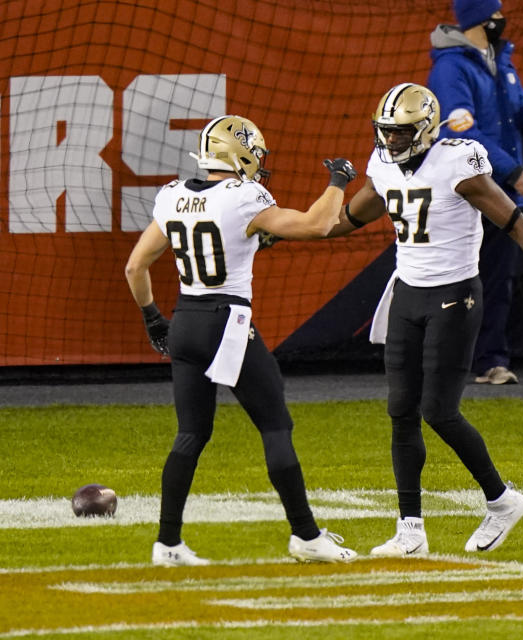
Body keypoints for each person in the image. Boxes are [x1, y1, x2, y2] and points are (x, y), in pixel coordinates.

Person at [323, 83, 523, 556]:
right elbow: (353, 216)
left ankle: (502, 500)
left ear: (424, 130)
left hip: (454, 294)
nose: (390, 140)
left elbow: (517, 224)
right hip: (406, 292)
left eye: (400, 132)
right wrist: (289, 232)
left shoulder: (457, 163)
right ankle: (410, 531)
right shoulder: (382, 164)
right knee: (400, 410)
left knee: (437, 411)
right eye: (385, 131)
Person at [124, 115, 360, 566]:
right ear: (241, 154)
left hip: (185, 321)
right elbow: (317, 225)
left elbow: (136, 267)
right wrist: (338, 181)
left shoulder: (173, 195)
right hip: (226, 321)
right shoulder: (244, 195)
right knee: (275, 425)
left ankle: (167, 544)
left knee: (190, 433)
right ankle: (307, 537)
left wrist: (154, 320)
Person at [427, 0, 523, 385]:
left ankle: (490, 361)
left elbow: (518, 117)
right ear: (480, 21)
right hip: (467, 193)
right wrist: (512, 169)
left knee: (497, 281)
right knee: (457, 281)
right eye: (496, 15)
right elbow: (460, 130)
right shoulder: (450, 68)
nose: (502, 21)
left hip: (501, 193)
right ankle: (446, 364)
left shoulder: (501, 60)